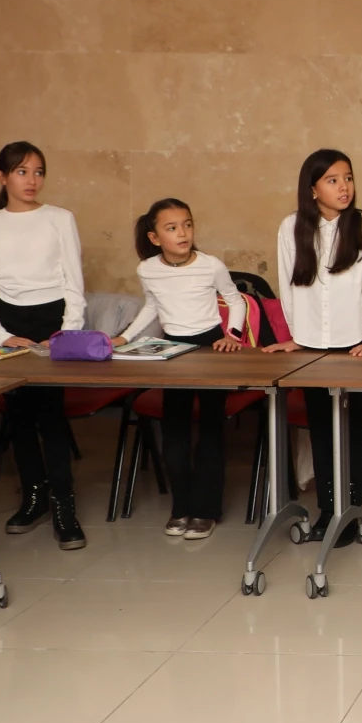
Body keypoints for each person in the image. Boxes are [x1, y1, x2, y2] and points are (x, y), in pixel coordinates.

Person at [0, 141, 89, 549]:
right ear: (2, 177)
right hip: (8, 324)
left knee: (51, 415)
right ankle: (33, 496)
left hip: (52, 323)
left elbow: (74, 283)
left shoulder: (60, 219)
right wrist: (0, 335)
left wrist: (66, 332)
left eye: (38, 172)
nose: (31, 180)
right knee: (19, 415)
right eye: (21, 172)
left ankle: (63, 504)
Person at [264, 150, 362, 548]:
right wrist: (296, 335)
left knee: (350, 428)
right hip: (311, 347)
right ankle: (327, 509)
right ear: (313, 189)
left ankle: (349, 511)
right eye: (333, 180)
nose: (344, 187)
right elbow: (289, 285)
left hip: (355, 346)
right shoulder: (291, 227)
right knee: (320, 429)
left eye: (348, 178)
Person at [116, 198, 248, 540]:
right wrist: (125, 337)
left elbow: (235, 300)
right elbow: (153, 306)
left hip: (211, 347)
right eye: (172, 228)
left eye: (187, 225)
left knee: (210, 429)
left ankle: (206, 511)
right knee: (174, 431)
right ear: (155, 237)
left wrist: (232, 335)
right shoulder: (147, 269)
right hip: (172, 351)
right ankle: (181, 507)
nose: (183, 233)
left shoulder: (211, 265)